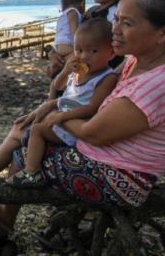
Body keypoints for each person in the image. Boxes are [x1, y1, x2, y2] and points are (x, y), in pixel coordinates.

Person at [0, 0, 165, 231]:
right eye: (116, 19)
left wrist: (56, 114)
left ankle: (1, 214)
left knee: (25, 149)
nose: (114, 30)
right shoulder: (141, 60)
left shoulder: (158, 84)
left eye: (127, 24)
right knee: (28, 131)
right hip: (112, 160)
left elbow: (93, 134)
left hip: (121, 179)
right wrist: (51, 105)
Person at [9, 18, 117, 188]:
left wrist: (62, 117)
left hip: (76, 127)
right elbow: (57, 86)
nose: (84, 56)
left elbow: (92, 108)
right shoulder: (77, 72)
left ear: (111, 53)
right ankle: (28, 154)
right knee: (29, 126)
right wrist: (66, 71)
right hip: (62, 118)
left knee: (37, 130)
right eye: (79, 50)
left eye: (93, 51)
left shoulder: (106, 78)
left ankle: (32, 172)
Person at [49, 0, 128, 70]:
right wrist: (53, 54)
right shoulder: (91, 12)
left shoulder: (117, 15)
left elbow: (110, 50)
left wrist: (67, 60)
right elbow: (74, 37)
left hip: (99, 79)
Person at [46, 0, 86, 78]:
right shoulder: (73, 12)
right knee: (75, 57)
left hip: (59, 45)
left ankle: (53, 69)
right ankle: (54, 69)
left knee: (62, 63)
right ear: (82, 3)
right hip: (67, 44)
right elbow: (74, 30)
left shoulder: (64, 14)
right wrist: (79, 46)